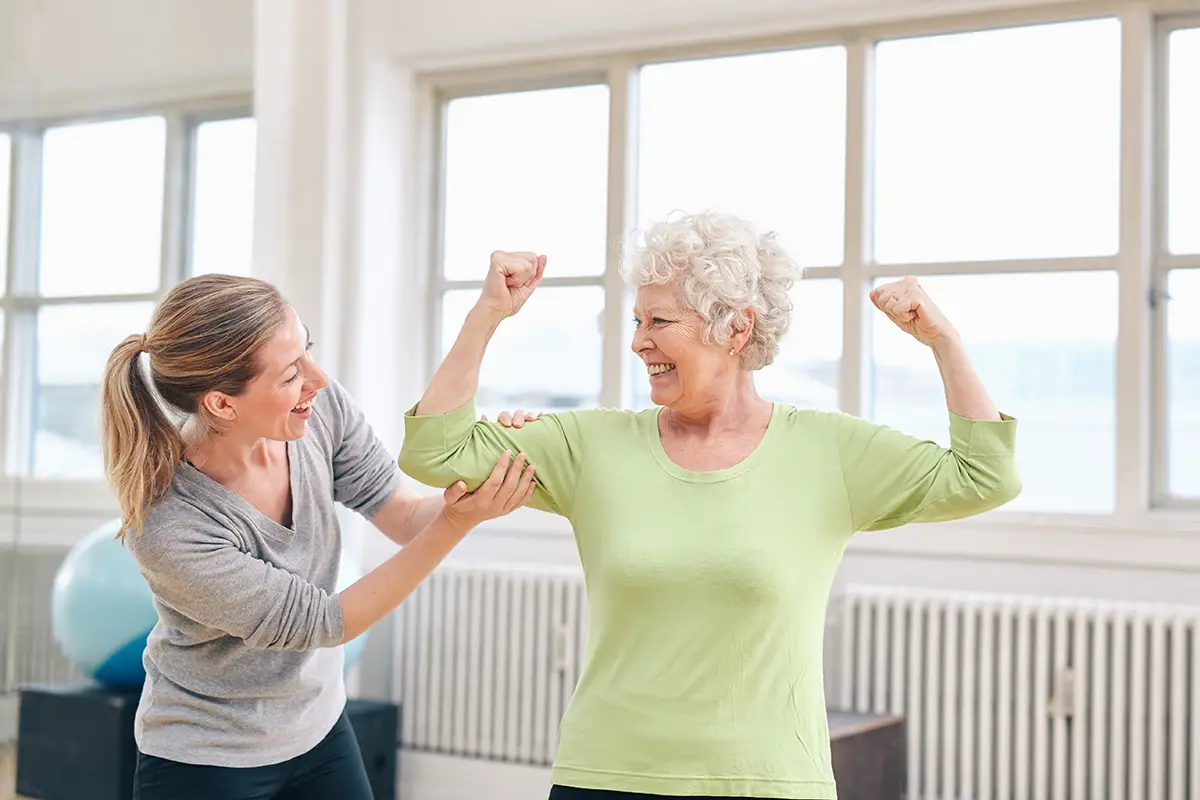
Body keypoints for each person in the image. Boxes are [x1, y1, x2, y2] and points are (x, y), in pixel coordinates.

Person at [398, 211, 1022, 800]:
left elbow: (985, 476)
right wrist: (487, 314)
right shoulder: (590, 445)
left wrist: (943, 341)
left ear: (736, 327)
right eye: (637, 322)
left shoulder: (828, 450)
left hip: (768, 782)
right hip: (609, 775)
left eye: (659, 322)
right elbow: (435, 450)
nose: (639, 343)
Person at [100, 273, 538, 800]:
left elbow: (402, 516)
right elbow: (327, 622)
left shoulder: (316, 414)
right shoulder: (171, 523)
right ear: (221, 403)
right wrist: (456, 523)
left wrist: (491, 475)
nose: (319, 379)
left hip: (319, 730)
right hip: (208, 758)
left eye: (307, 348)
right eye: (290, 374)